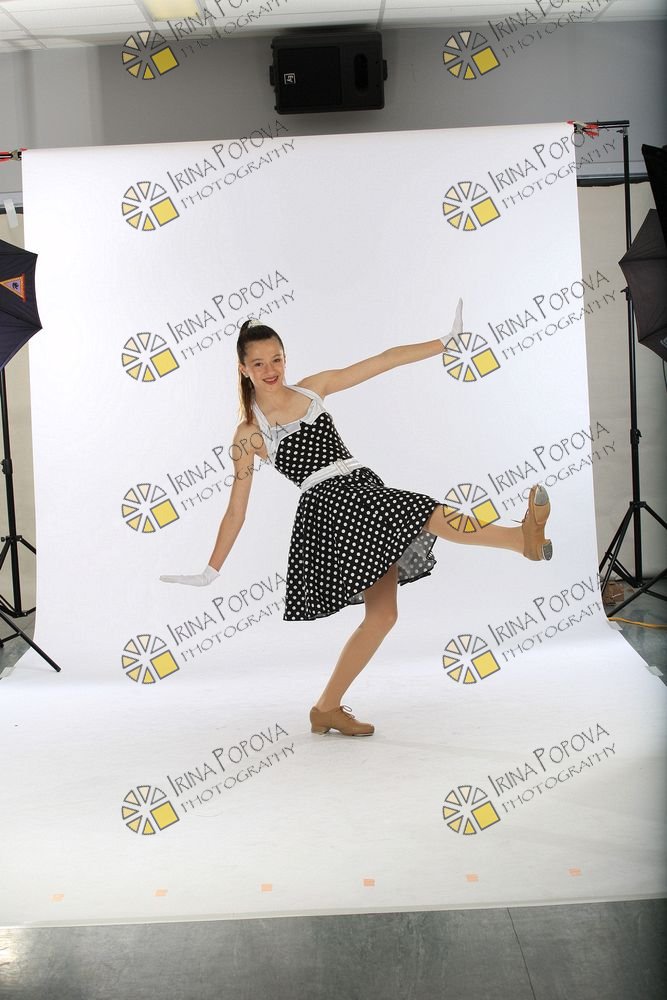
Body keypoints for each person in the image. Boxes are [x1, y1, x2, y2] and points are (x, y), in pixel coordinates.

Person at [161, 301, 552, 737]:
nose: (270, 370)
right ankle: (520, 540)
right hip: (331, 509)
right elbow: (236, 509)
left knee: (382, 616)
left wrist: (444, 342)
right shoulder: (249, 433)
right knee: (423, 510)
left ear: (285, 358)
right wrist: (211, 570)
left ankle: (325, 708)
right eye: (259, 363)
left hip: (361, 488)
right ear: (243, 369)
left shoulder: (313, 389)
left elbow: (383, 361)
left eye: (276, 359)